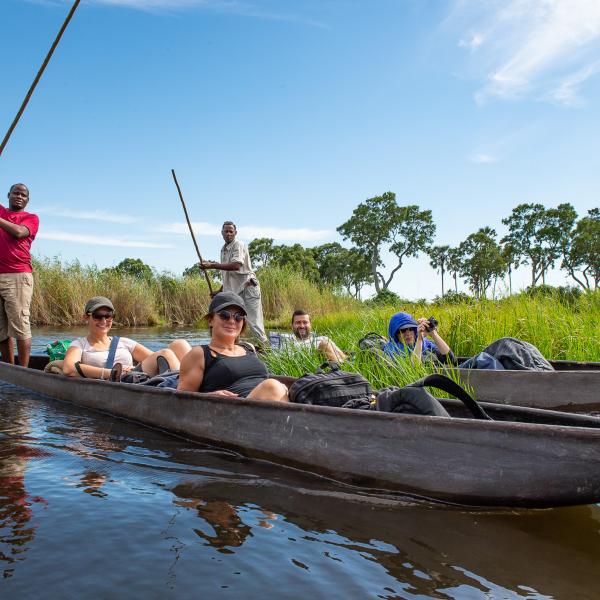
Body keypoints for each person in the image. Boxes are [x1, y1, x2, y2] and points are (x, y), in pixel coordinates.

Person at [177, 291, 288, 401]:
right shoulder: (199, 354)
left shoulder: (249, 348)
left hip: (266, 403)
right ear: (211, 320)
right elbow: (181, 400)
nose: (232, 321)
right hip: (231, 412)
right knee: (272, 386)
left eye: (238, 317)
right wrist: (209, 397)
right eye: (224, 315)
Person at [63, 296, 192, 380]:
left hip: (137, 376)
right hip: (123, 381)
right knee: (166, 353)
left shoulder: (124, 342)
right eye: (98, 316)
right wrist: (111, 372)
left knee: (180, 344)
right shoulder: (79, 344)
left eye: (108, 316)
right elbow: (69, 369)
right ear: (86, 317)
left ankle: (196, 383)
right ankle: (183, 388)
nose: (103, 320)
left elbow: (156, 360)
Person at [200, 221, 268, 344]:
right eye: (226, 231)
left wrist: (211, 265)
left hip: (248, 288)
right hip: (236, 292)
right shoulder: (223, 250)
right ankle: (235, 351)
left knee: (253, 323)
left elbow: (236, 266)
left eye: (231, 231)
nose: (228, 234)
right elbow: (229, 275)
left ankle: (266, 352)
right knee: (235, 322)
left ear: (235, 233)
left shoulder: (238, 244)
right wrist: (220, 291)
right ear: (222, 233)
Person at [0, 183, 39, 367]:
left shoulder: (30, 218)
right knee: (1, 330)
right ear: (8, 195)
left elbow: (18, 232)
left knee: (20, 326)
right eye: (16, 193)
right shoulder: (2, 212)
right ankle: (8, 369)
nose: (19, 196)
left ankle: (23, 371)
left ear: (27, 200)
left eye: (23, 195)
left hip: (18, 276)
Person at [383, 311, 455, 365]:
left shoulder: (425, 343)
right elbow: (414, 369)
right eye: (403, 330)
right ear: (395, 334)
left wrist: (433, 333)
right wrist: (419, 339)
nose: (408, 334)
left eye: (411, 329)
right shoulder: (391, 349)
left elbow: (450, 359)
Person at [276, 309, 347, 362]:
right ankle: (342, 372)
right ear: (292, 326)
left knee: (325, 342)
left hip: (332, 366)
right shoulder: (287, 342)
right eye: (298, 323)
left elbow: (342, 356)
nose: (302, 326)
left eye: (305, 322)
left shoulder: (323, 338)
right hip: (313, 371)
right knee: (324, 344)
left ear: (310, 325)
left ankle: (342, 370)